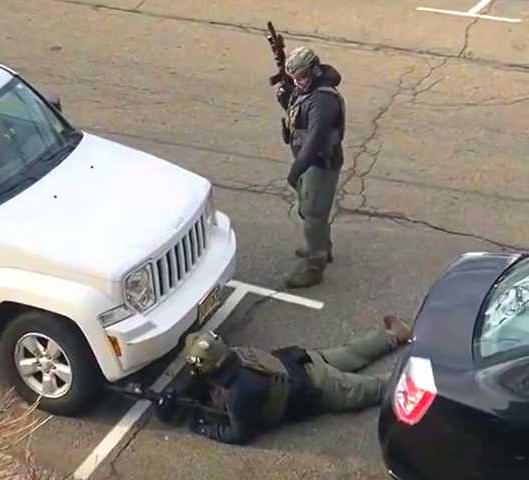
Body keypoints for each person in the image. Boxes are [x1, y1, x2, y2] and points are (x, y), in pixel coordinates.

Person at [156, 315, 411, 445]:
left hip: (318, 387)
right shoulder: (232, 356)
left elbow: (239, 433)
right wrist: (178, 397)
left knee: (377, 389)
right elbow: (199, 378)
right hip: (302, 361)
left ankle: (419, 378)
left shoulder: (240, 392)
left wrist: (203, 427)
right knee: (351, 352)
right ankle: (394, 335)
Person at [276, 46, 346, 289]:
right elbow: (294, 111)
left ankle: (315, 265)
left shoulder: (323, 101)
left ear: (315, 71)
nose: (298, 82)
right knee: (308, 209)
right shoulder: (305, 90)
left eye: (302, 77)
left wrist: (296, 169)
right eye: (295, 78)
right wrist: (285, 89)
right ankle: (321, 245)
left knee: (314, 214)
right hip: (309, 162)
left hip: (319, 163)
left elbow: (315, 138)